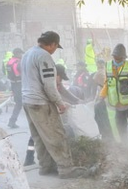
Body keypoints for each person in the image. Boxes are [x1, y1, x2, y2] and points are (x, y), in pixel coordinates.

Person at [20, 31, 88, 178]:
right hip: (41, 102)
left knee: (39, 136)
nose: (55, 50)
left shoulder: (28, 54)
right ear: (52, 44)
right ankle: (66, 169)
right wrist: (60, 103)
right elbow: (49, 85)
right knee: (57, 135)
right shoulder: (44, 56)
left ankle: (45, 167)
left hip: (27, 101)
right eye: (56, 47)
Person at [99, 43, 128, 147]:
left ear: (124, 58)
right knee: (121, 128)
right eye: (115, 57)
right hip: (117, 105)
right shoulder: (108, 66)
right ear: (113, 56)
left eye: (119, 58)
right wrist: (102, 96)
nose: (117, 60)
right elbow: (106, 83)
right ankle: (125, 147)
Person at [5, 48, 24, 128]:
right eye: (20, 54)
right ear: (17, 54)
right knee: (21, 103)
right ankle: (12, 121)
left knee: (19, 103)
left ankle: (12, 121)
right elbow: (23, 73)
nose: (21, 55)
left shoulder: (9, 61)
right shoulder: (18, 62)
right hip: (19, 84)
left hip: (13, 84)